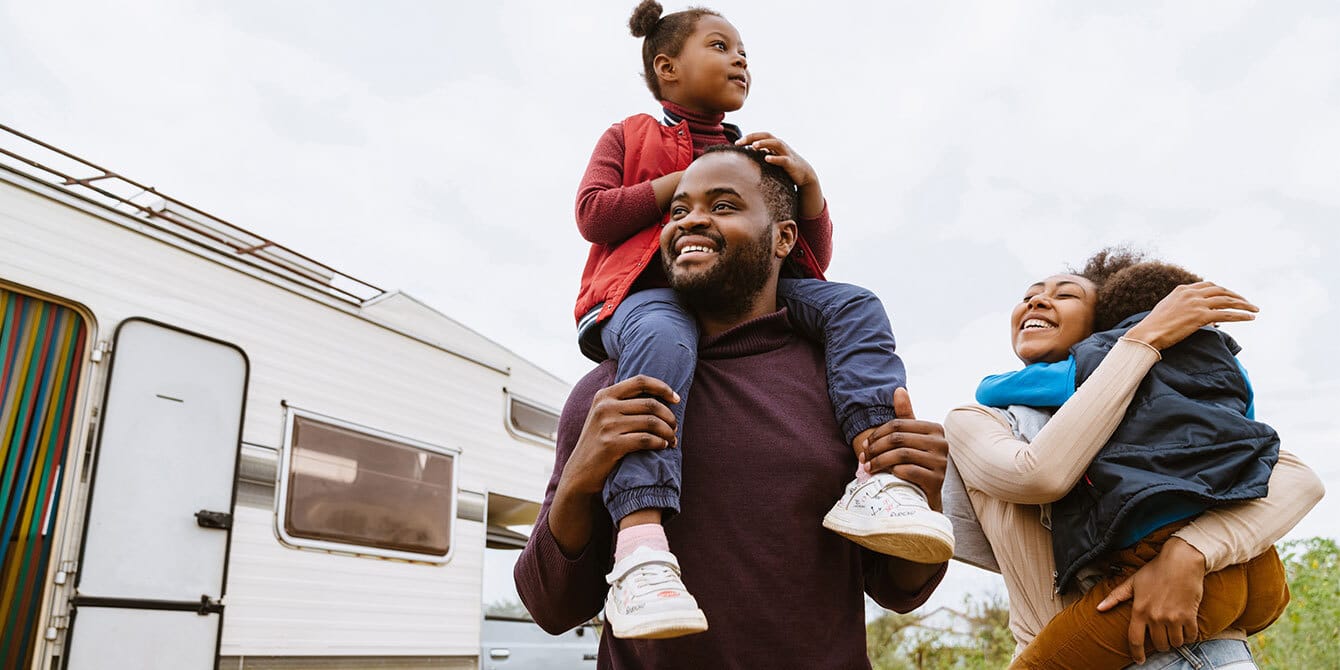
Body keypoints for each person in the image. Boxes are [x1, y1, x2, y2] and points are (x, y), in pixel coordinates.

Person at [571, 0, 950, 638]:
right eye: (719, 45)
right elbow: (595, 214)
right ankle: (640, 545)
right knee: (666, 334)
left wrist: (809, 189)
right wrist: (684, 181)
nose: (739, 57)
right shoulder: (630, 135)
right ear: (666, 68)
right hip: (648, 300)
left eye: (743, 48)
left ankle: (880, 481)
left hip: (756, 298)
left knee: (855, 303)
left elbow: (804, 258)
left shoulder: (754, 151)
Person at [519, 145, 948, 667]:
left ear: (785, 239)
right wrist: (580, 478)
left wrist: (924, 493)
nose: (692, 220)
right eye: (678, 211)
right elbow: (551, 607)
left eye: (723, 206)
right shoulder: (609, 393)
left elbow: (897, 589)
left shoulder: (842, 382)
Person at [942, 249, 1325, 669]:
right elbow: (1040, 474)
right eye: (1030, 294)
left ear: (1101, 328)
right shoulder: (979, 420)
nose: (1037, 301)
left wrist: (1190, 551)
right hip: (1109, 635)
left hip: (1194, 647)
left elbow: (1295, 476)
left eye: (1066, 295)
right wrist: (1142, 342)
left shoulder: (1158, 402)